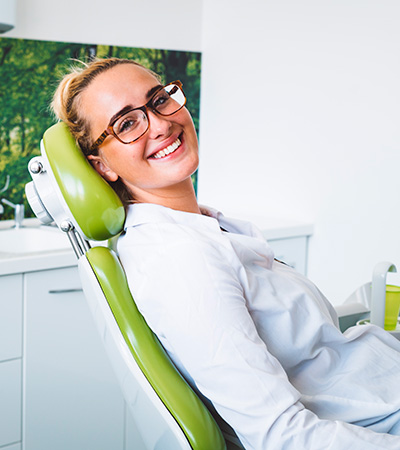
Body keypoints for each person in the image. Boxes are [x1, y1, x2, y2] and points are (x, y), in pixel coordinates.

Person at [51, 57, 400, 449]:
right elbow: (282, 436)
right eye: (127, 123)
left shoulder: (201, 227)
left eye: (160, 100)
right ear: (102, 167)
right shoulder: (181, 259)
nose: (162, 124)